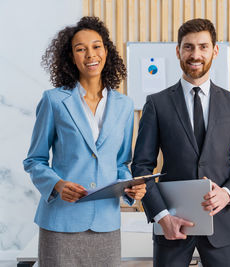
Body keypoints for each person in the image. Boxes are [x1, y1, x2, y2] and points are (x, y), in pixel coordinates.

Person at [23, 16, 146, 267]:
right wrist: (57, 184)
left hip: (106, 224)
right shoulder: (54, 101)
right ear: (71, 57)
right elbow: (34, 160)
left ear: (106, 51)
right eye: (81, 49)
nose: (90, 54)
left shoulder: (124, 105)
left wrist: (130, 186)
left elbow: (121, 162)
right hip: (61, 223)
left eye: (96, 46)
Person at [131, 18, 230, 267]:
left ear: (215, 50)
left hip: (221, 225)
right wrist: (162, 216)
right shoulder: (157, 104)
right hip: (171, 226)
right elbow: (141, 167)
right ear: (178, 51)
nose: (195, 54)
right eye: (188, 47)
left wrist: (228, 194)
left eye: (203, 46)